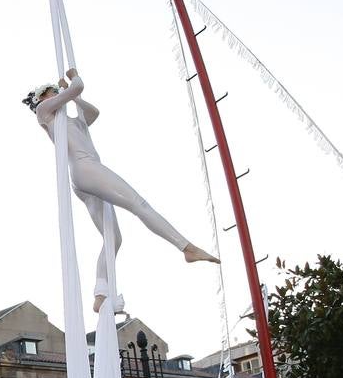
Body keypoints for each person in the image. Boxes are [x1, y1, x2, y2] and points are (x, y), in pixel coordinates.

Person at [27, 67, 217, 311]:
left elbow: (93, 112)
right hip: (86, 171)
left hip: (86, 177)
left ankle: (100, 292)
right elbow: (78, 86)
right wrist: (73, 80)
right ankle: (186, 247)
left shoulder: (75, 123)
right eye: (51, 92)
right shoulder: (45, 114)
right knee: (140, 204)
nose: (55, 94)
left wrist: (73, 96)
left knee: (113, 238)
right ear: (42, 99)